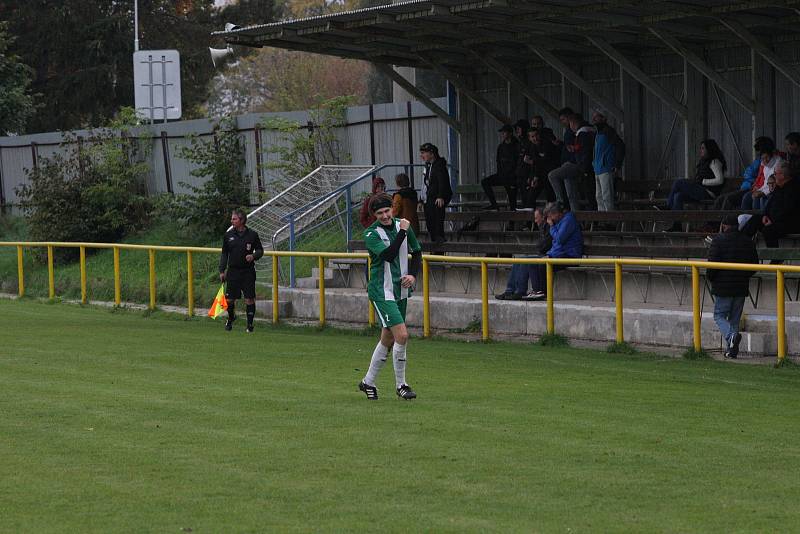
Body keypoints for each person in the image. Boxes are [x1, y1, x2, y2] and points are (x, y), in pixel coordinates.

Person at [358, 193, 422, 401]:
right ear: (374, 215)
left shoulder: (402, 225)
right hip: (381, 291)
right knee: (402, 335)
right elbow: (388, 255)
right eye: (380, 213)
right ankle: (401, 385)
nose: (385, 216)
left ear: (392, 209)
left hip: (400, 290)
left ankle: (367, 381)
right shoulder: (371, 234)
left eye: (387, 211)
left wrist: (413, 275)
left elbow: (417, 252)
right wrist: (402, 232)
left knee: (387, 337)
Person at [707, 214, 758, 359]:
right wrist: (744, 276)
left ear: (724, 226)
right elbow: (754, 265)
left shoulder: (718, 241)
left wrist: (710, 278)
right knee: (734, 319)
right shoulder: (748, 241)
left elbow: (712, 266)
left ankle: (732, 337)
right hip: (741, 286)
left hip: (723, 287)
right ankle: (731, 350)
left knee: (719, 316)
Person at [525, 202, 583, 300]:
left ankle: (543, 292)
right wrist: (550, 254)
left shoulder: (568, 220)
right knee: (533, 262)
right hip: (558, 254)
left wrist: (552, 226)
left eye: (551, 217)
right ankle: (537, 291)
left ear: (556, 214)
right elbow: (556, 244)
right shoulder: (558, 222)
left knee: (544, 264)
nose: (550, 220)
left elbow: (560, 239)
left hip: (570, 255)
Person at [665, 139, 727, 231]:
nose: (700, 150)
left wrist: (704, 181)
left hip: (708, 193)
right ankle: (677, 226)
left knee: (678, 182)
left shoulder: (714, 162)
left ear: (709, 149)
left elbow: (720, 180)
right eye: (700, 148)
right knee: (678, 196)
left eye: (703, 148)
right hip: (700, 191)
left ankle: (668, 206)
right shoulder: (704, 161)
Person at [219, 208, 264, 333]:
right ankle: (231, 317)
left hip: (247, 271)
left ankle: (250, 325)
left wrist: (253, 256)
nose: (231, 221)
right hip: (233, 271)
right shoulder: (228, 235)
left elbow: (260, 250)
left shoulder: (252, 235)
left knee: (249, 299)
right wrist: (222, 270)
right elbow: (224, 254)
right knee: (229, 300)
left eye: (234, 219)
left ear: (242, 220)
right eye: (232, 218)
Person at [741, 160, 800, 251]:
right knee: (755, 219)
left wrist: (772, 220)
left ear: (782, 175)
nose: (774, 175)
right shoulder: (778, 187)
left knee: (768, 230)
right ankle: (742, 247)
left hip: (788, 223)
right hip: (773, 220)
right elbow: (770, 204)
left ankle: (775, 258)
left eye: (775, 173)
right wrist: (765, 215)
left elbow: (788, 210)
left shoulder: (793, 189)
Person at [495, 207, 552, 300]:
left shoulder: (549, 227)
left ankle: (520, 291)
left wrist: (541, 247)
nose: (535, 221)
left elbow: (544, 246)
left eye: (536, 218)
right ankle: (509, 290)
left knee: (526, 261)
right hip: (544, 254)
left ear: (543, 217)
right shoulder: (543, 227)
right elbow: (540, 245)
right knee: (518, 260)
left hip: (548, 255)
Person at [549, 112, 594, 211]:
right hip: (578, 165)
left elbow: (585, 150)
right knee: (572, 196)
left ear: (572, 122)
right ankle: (576, 219)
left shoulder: (582, 132)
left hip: (576, 164)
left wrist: (575, 151)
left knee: (552, 175)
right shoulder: (587, 131)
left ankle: (560, 201)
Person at [713, 137, 771, 210]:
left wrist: (754, 184)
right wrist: (754, 182)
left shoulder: (765, 161)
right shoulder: (760, 160)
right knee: (720, 198)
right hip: (747, 186)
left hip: (751, 188)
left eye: (758, 149)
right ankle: (714, 221)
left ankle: (724, 220)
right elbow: (749, 173)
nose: (757, 152)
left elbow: (759, 177)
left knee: (729, 199)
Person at [592, 110, 625, 212]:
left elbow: (621, 146)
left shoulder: (609, 131)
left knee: (607, 196)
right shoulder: (598, 132)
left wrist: (617, 164)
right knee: (599, 197)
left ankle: (611, 221)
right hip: (597, 169)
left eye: (597, 117)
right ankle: (603, 220)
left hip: (606, 168)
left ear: (603, 118)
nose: (594, 119)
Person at [482, 124, 520, 211]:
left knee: (512, 202)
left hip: (512, 178)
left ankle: (511, 223)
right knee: (485, 182)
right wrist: (500, 174)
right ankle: (494, 205)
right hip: (502, 175)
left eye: (504, 132)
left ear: (510, 133)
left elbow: (517, 163)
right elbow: (498, 162)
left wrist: (513, 176)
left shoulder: (516, 145)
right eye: (502, 132)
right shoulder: (501, 147)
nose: (502, 134)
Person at [420, 142, 452, 244]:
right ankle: (434, 240)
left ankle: (439, 240)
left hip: (437, 197)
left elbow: (443, 181)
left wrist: (440, 196)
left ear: (432, 153)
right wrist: (421, 199)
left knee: (437, 219)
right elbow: (425, 183)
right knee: (429, 220)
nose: (422, 155)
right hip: (430, 196)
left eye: (424, 153)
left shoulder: (439, 165)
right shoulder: (429, 166)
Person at [741, 137, 782, 210]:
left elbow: (774, 184)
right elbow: (764, 182)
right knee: (747, 197)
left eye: (767, 157)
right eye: (762, 158)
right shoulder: (764, 165)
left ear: (771, 154)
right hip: (763, 189)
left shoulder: (778, 163)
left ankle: (757, 219)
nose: (765, 160)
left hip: (773, 191)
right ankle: (745, 218)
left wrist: (762, 192)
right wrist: (758, 189)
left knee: (757, 198)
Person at [521, 128, 558, 207]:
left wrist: (533, 162)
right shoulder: (531, 146)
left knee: (551, 199)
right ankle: (532, 218)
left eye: (536, 135)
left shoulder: (546, 144)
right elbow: (532, 163)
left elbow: (545, 161)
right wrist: (533, 177)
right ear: (529, 138)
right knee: (530, 198)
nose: (535, 138)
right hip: (538, 175)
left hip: (549, 175)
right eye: (532, 136)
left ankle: (551, 218)